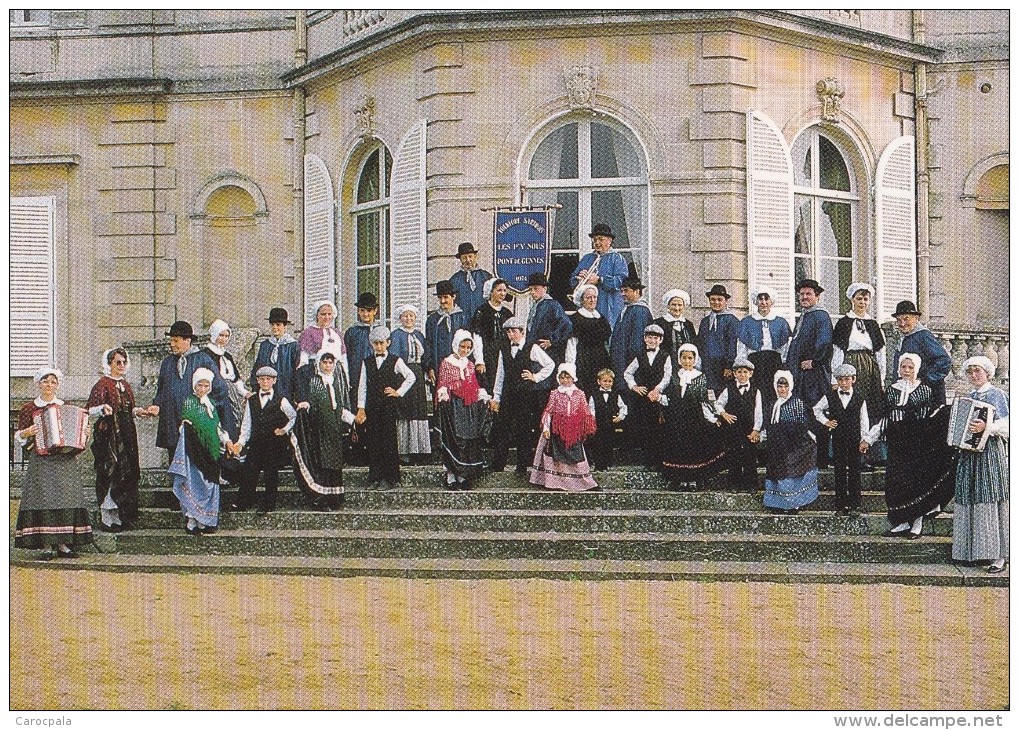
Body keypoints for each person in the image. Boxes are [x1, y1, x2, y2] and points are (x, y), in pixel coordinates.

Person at [865, 354, 956, 539]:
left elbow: (934, 416)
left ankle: (917, 522)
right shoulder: (891, 390)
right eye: (904, 367)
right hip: (896, 441)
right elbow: (887, 418)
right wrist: (869, 438)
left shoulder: (925, 389)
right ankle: (902, 521)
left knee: (917, 482)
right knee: (897, 482)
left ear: (917, 369)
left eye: (910, 367)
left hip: (918, 441)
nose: (906, 371)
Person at [13, 367, 94, 560]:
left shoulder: (66, 406)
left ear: (57, 385)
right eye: (45, 381)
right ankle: (48, 545)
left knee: (66, 499)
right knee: (43, 499)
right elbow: (19, 435)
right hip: (41, 460)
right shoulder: (29, 409)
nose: (49, 385)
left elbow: (78, 431)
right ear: (38, 384)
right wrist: (27, 432)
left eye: (53, 382)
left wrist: (85, 433)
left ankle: (64, 544)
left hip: (65, 460)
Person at [951, 356, 1009, 573]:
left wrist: (987, 427)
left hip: (990, 452)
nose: (974, 375)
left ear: (987, 372)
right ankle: (973, 552)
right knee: (969, 496)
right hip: (969, 454)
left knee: (990, 496)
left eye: (978, 371)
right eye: (970, 371)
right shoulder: (969, 397)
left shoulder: (998, 395)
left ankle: (998, 556)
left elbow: (1009, 424)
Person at [148, 320, 228, 460]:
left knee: (197, 464)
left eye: (176, 340)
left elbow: (221, 389)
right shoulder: (167, 362)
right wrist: (157, 405)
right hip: (172, 422)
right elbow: (161, 390)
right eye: (171, 340)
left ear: (187, 340)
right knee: (176, 465)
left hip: (196, 424)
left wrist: (205, 408)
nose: (172, 344)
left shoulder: (203, 360)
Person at [86, 348, 146, 532]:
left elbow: (129, 409)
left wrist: (140, 411)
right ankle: (106, 516)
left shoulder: (126, 385)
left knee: (126, 472)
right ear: (109, 364)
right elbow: (89, 409)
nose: (121, 366)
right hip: (108, 433)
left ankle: (120, 515)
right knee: (110, 471)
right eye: (117, 362)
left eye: (123, 362)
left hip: (127, 432)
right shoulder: (102, 384)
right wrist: (103, 408)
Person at [170, 368, 234, 534]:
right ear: (194, 385)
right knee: (194, 485)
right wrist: (185, 425)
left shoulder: (211, 404)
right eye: (200, 385)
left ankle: (205, 520)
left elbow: (217, 426)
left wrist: (226, 440)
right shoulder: (189, 402)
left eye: (206, 385)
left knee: (209, 485)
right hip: (194, 450)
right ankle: (192, 520)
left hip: (210, 451)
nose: (203, 389)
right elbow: (186, 423)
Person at [228, 366, 298, 514]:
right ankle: (244, 500)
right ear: (258, 381)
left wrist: (284, 430)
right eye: (262, 379)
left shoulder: (281, 400)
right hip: (256, 442)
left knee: (270, 471)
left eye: (268, 379)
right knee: (249, 470)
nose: (265, 382)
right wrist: (241, 442)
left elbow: (293, 417)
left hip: (273, 443)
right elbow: (247, 424)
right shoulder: (252, 400)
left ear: (274, 381)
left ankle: (268, 503)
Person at [490, 317, 556, 474]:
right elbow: (500, 373)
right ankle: (499, 464)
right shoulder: (504, 348)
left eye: (514, 331)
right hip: (508, 393)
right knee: (503, 428)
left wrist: (535, 377)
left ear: (522, 332)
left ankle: (522, 465)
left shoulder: (531, 348)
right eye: (508, 332)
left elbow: (550, 364)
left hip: (525, 394)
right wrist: (496, 396)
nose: (511, 335)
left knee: (523, 429)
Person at [355, 326, 417, 490]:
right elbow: (362, 386)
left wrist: (398, 392)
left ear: (388, 343)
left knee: (388, 441)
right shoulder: (367, 362)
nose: (379, 347)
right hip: (372, 407)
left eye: (382, 343)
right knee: (373, 441)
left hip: (388, 406)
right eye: (375, 344)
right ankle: (375, 477)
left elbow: (411, 376)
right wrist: (361, 408)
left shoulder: (395, 360)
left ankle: (390, 478)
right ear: (372, 345)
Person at [658, 343, 728, 487]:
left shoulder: (701, 378)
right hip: (677, 418)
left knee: (693, 449)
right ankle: (680, 479)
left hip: (694, 420)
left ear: (695, 360)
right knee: (678, 449)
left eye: (690, 358)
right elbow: (668, 398)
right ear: (679, 359)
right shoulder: (674, 377)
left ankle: (693, 480)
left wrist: (713, 418)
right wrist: (659, 398)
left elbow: (705, 402)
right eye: (684, 358)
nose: (687, 361)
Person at [293, 352, 354, 511]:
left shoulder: (335, 383)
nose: (327, 365)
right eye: (324, 362)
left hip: (334, 431)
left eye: (330, 362)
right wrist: (304, 405)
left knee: (334, 463)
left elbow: (339, 408)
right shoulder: (313, 382)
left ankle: (334, 498)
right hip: (319, 432)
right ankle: (320, 498)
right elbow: (309, 403)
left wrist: (353, 420)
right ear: (319, 363)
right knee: (322, 464)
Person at [785, 279, 834, 468]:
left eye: (808, 294)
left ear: (817, 296)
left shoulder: (820, 316)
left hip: (814, 375)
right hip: (800, 375)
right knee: (801, 414)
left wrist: (814, 360)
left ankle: (820, 459)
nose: (804, 297)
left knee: (815, 412)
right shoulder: (804, 316)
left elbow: (824, 342)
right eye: (802, 294)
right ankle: (805, 458)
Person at [813, 364, 871, 517]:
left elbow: (864, 420)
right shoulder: (830, 396)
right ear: (837, 381)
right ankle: (840, 505)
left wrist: (865, 439)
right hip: (838, 438)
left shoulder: (859, 397)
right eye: (840, 380)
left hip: (854, 438)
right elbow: (816, 409)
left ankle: (854, 504)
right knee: (839, 470)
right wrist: (826, 421)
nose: (844, 383)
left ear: (854, 379)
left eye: (847, 379)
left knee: (854, 470)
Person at [436, 329, 491, 490]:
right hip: (453, 406)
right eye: (462, 347)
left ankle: (463, 475)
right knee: (454, 439)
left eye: (468, 348)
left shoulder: (470, 364)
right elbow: (443, 383)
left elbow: (474, 384)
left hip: (468, 407)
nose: (465, 350)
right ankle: (451, 475)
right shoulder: (447, 363)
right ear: (456, 345)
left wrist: (480, 394)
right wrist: (444, 394)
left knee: (467, 441)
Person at [530, 363, 598, 492]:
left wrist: (586, 427)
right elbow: (548, 411)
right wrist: (545, 428)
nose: (565, 380)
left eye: (568, 377)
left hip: (573, 430)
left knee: (575, 456)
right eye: (562, 377)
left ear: (573, 378)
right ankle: (555, 482)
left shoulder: (580, 394)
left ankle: (583, 482)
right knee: (556, 458)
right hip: (557, 429)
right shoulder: (555, 393)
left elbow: (585, 412)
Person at [761, 371, 819, 515]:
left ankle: (794, 504)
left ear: (790, 386)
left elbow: (804, 425)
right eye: (779, 386)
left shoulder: (797, 403)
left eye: (785, 386)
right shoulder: (771, 405)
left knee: (790, 473)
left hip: (793, 445)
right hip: (775, 445)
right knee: (776, 473)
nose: (782, 389)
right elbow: (767, 424)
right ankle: (777, 503)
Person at [831, 283, 886, 422]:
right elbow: (838, 351)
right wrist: (835, 377)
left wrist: (882, 378)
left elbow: (880, 351)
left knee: (871, 401)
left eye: (865, 299)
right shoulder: (844, 323)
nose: (862, 302)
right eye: (859, 299)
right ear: (852, 300)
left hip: (869, 366)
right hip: (851, 363)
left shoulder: (873, 324)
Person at [622, 324, 672, 465]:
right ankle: (646, 461)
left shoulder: (665, 356)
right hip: (642, 399)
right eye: (649, 338)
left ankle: (658, 460)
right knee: (643, 427)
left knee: (658, 428)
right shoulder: (640, 355)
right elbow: (627, 373)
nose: (652, 341)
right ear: (644, 339)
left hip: (657, 397)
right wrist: (634, 387)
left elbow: (667, 376)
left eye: (655, 338)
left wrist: (657, 390)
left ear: (660, 340)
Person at [390, 305, 432, 464]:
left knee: (418, 410)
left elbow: (426, 356)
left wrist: (428, 370)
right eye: (405, 316)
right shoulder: (396, 335)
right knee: (404, 410)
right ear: (400, 318)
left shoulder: (419, 335)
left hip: (418, 374)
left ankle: (419, 450)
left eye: (411, 316)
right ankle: (404, 451)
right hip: (402, 374)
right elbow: (394, 357)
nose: (408, 319)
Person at [736, 288, 791, 409]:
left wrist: (783, 364)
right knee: (756, 394)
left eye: (766, 299)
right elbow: (742, 347)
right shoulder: (747, 322)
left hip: (774, 362)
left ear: (771, 301)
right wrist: (741, 365)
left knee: (773, 392)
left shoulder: (780, 322)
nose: (763, 302)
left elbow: (785, 347)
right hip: (755, 362)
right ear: (756, 301)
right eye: (760, 299)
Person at [715, 358, 763, 492]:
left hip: (749, 429)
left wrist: (756, 429)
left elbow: (758, 411)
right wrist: (724, 414)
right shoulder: (728, 389)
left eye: (745, 372)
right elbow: (718, 404)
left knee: (750, 456)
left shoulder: (756, 391)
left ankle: (751, 484)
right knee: (734, 455)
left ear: (751, 374)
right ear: (735, 374)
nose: (742, 375)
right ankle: (733, 484)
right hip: (733, 429)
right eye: (739, 372)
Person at [891, 300, 952, 406]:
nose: (902, 323)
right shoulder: (903, 338)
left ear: (916, 318)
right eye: (899, 320)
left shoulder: (923, 336)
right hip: (910, 393)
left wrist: (924, 380)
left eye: (906, 319)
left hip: (928, 395)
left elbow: (944, 361)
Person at [569, 223, 629, 327]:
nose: (597, 242)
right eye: (595, 239)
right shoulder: (587, 258)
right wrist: (578, 279)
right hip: (586, 310)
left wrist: (600, 280)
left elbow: (622, 281)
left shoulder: (617, 258)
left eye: (601, 239)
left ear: (609, 241)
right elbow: (572, 280)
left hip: (609, 308)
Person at [344, 293, 380, 465]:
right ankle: (357, 452)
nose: (365, 314)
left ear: (375, 311)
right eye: (362, 311)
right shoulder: (352, 332)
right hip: (357, 375)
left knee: (374, 414)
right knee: (357, 413)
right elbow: (347, 356)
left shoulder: (380, 331)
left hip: (375, 378)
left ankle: (374, 453)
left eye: (369, 311)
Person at [203, 318, 250, 440]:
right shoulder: (206, 355)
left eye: (226, 336)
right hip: (216, 394)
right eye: (221, 335)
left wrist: (244, 392)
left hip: (232, 394)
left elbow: (236, 379)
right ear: (214, 335)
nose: (223, 339)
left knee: (235, 422)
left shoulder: (227, 356)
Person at [565, 283, 612, 395]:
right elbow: (571, 344)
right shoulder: (575, 319)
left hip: (601, 360)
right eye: (588, 297)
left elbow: (606, 342)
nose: (592, 300)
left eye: (594, 297)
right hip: (584, 360)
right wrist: (570, 366)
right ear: (582, 300)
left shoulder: (601, 318)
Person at [470, 277, 514, 391]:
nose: (503, 293)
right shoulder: (482, 311)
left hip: (504, 354)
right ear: (491, 291)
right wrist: (479, 360)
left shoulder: (507, 313)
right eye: (499, 290)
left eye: (504, 290)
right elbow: (477, 337)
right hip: (488, 355)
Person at [249, 307, 300, 402]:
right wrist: (255, 388)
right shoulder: (265, 345)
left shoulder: (293, 346)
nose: (275, 327)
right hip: (266, 390)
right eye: (272, 324)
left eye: (278, 324)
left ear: (285, 326)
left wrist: (297, 396)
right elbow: (257, 367)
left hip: (285, 390)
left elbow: (296, 372)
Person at [424, 280, 470, 386]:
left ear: (453, 297)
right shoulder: (432, 320)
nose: (442, 301)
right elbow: (428, 344)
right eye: (440, 298)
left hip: (459, 368)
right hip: (438, 366)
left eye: (446, 297)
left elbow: (468, 345)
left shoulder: (463, 317)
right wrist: (430, 367)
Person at [697, 284, 740, 394]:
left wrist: (729, 366)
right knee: (709, 395)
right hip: (708, 366)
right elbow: (700, 343)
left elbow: (733, 344)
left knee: (723, 395)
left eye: (720, 300)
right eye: (713, 300)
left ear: (726, 302)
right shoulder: (705, 321)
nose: (716, 302)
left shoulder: (731, 320)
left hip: (723, 367)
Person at [609, 276, 654, 379]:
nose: (622, 294)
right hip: (622, 362)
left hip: (630, 365)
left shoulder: (640, 311)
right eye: (621, 291)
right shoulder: (628, 309)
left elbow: (637, 344)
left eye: (626, 291)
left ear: (637, 291)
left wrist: (630, 369)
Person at [525, 272, 572, 365]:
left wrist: (553, 341)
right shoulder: (535, 305)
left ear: (545, 288)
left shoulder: (552, 304)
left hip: (547, 352)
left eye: (536, 289)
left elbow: (567, 324)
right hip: (535, 351)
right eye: (530, 289)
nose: (532, 292)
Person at [449, 241, 493, 323]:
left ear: (475, 257)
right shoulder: (454, 280)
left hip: (483, 322)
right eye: (464, 258)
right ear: (460, 259)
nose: (468, 260)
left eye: (470, 256)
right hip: (462, 322)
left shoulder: (486, 277)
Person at [654, 289, 698, 368]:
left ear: (684, 306)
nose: (677, 308)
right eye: (673, 305)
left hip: (685, 366)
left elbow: (694, 345)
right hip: (664, 365)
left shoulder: (688, 324)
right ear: (668, 305)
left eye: (680, 305)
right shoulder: (658, 323)